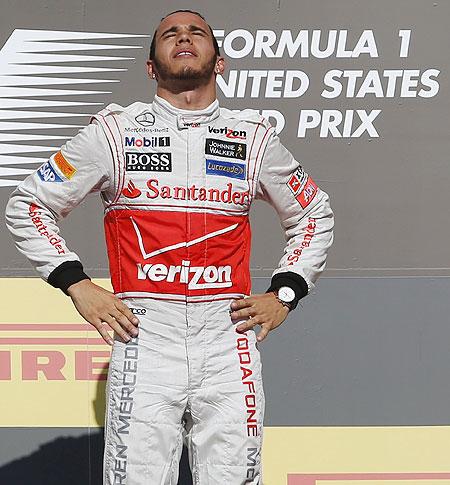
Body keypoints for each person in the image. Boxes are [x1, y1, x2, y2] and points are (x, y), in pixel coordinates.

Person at [5, 9, 334, 485]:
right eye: (170, 34)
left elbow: (313, 213)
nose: (184, 37)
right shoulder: (115, 133)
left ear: (218, 62)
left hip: (227, 335)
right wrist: (76, 283)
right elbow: (29, 203)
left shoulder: (252, 137)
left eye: (197, 32)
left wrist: (285, 293)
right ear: (150, 67)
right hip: (145, 334)